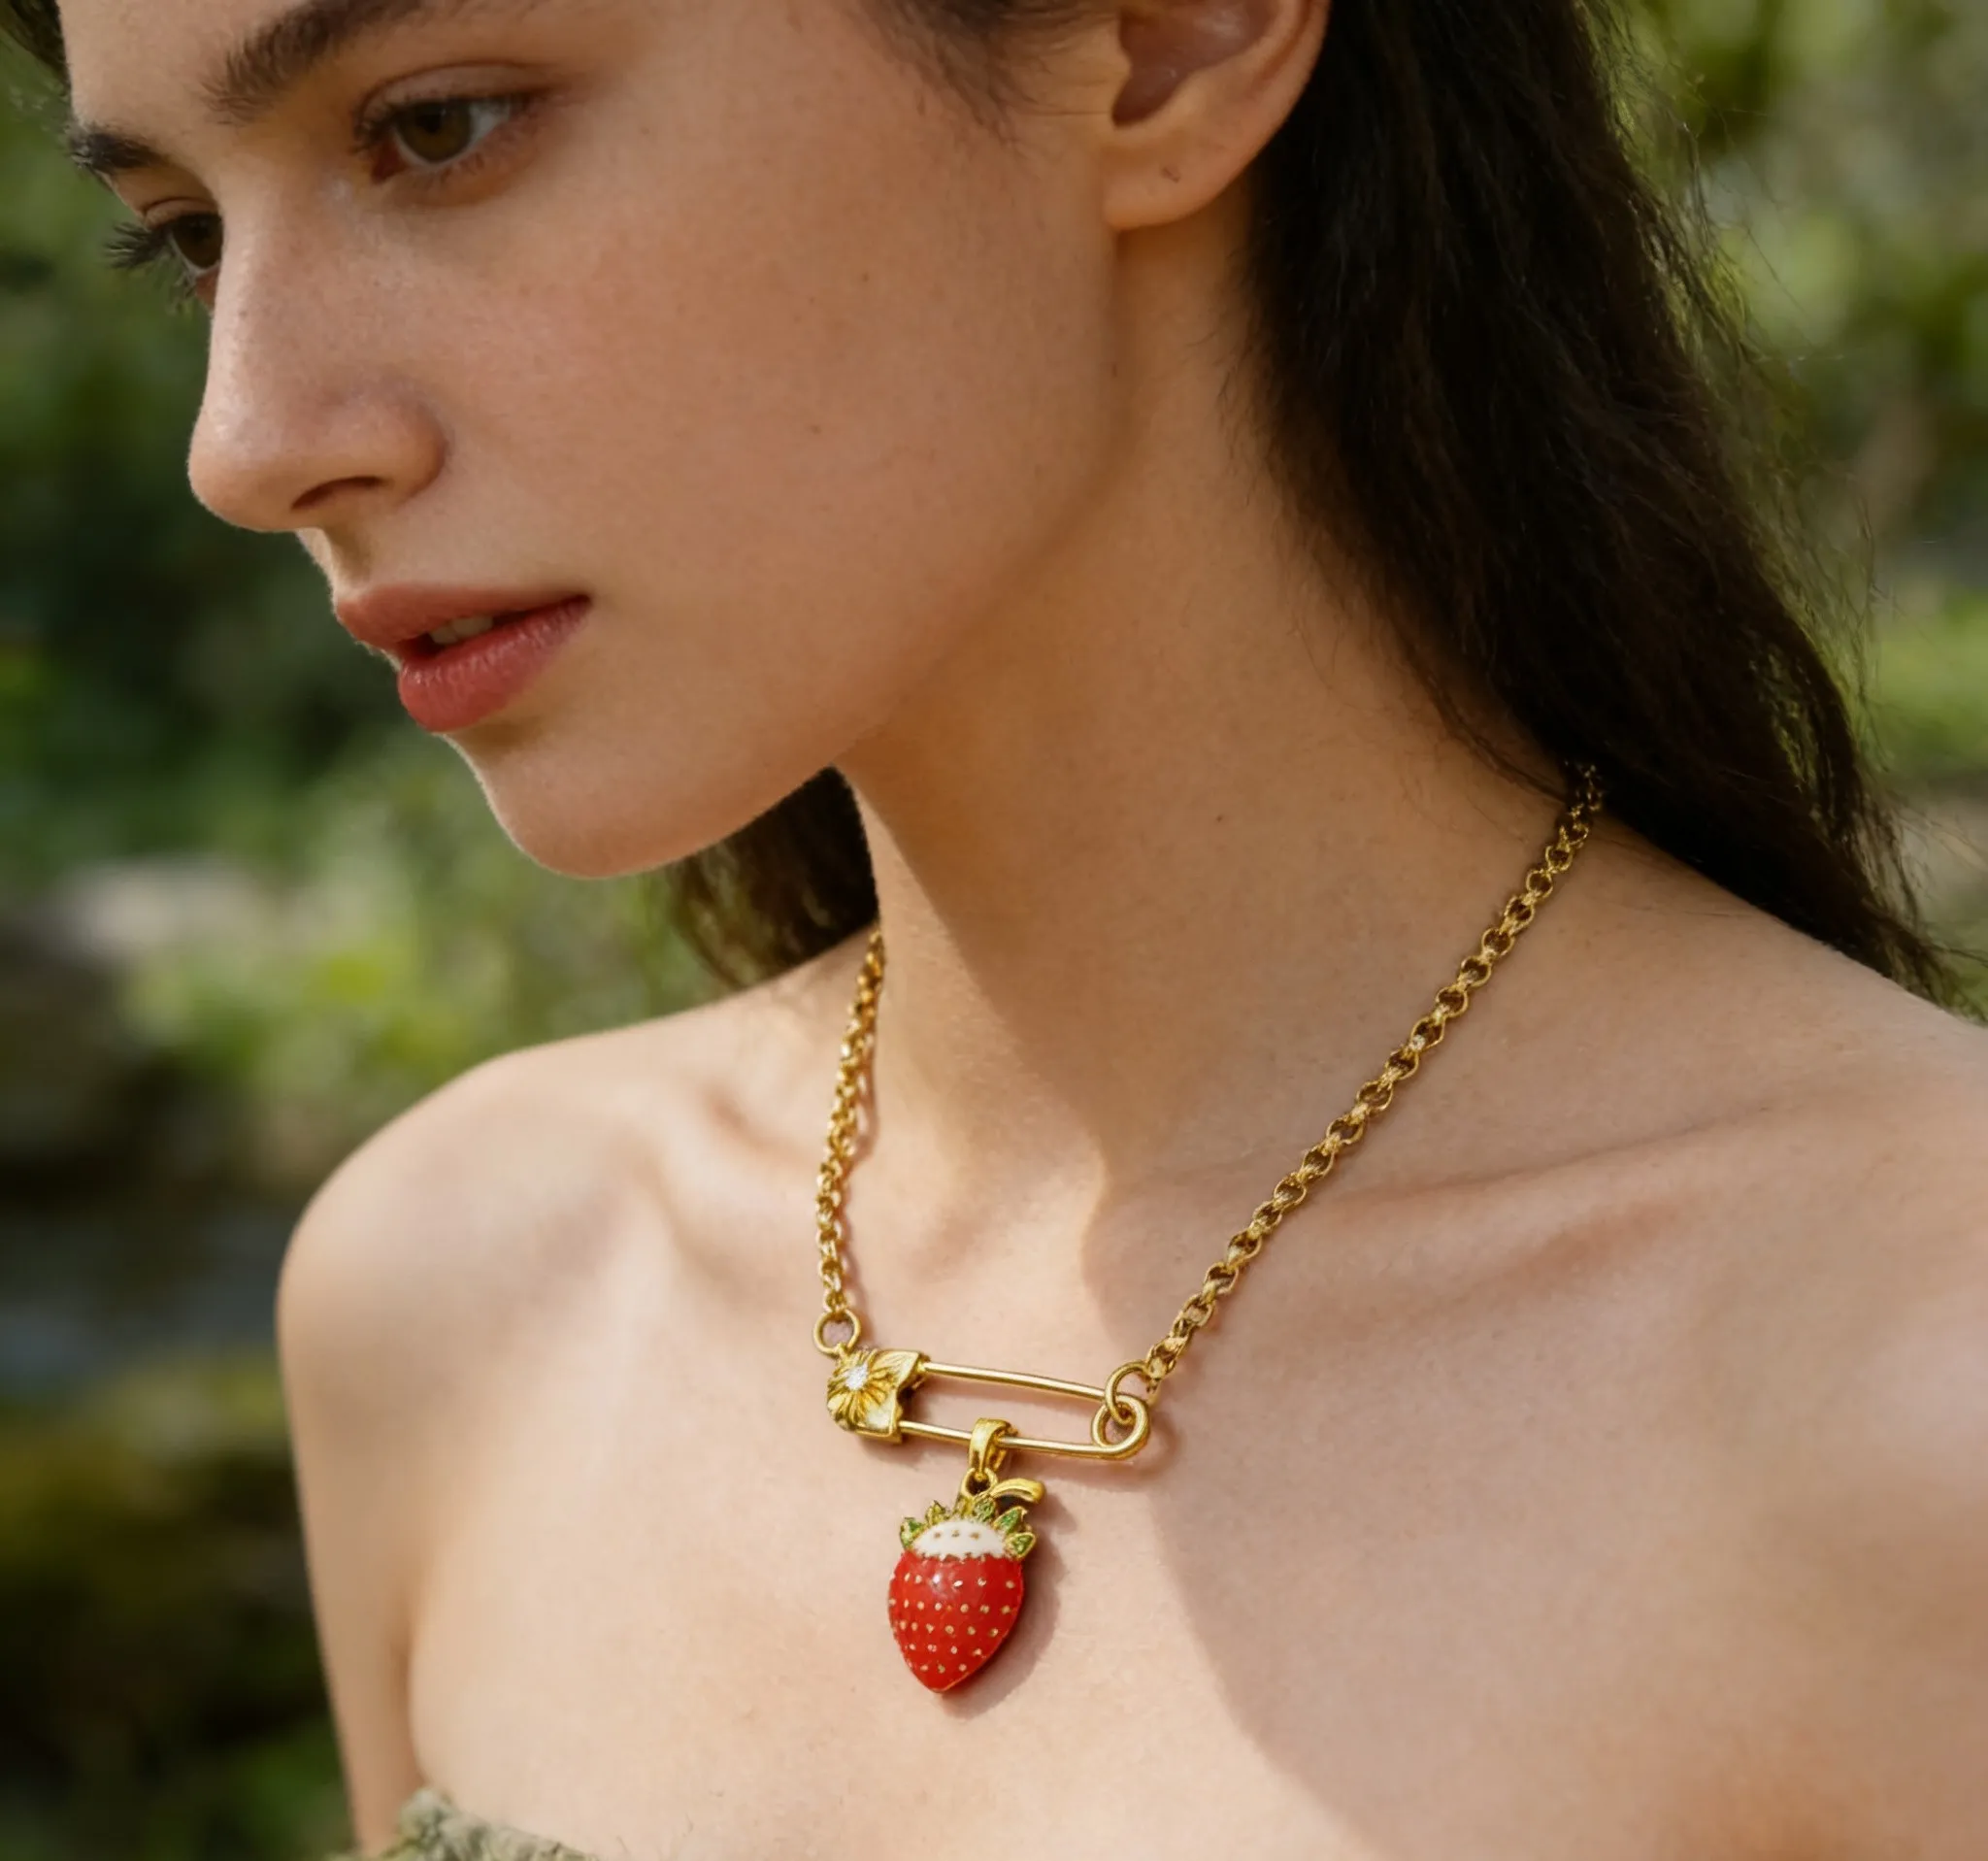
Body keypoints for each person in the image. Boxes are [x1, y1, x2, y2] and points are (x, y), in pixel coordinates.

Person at [16, 0, 1988, 1853]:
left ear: (1166, 42)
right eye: (187, 236)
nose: (245, 443)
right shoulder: (460, 1295)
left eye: (439, 128)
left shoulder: (1922, 1395)